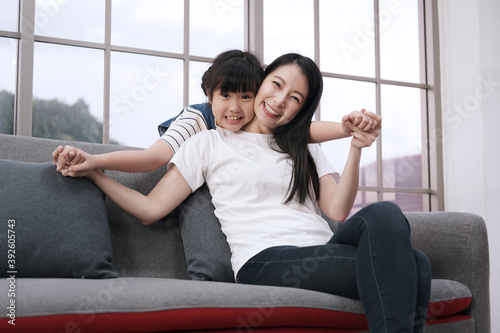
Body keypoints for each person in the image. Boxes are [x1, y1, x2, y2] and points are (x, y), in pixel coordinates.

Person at [67, 53, 431, 333]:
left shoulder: (301, 145)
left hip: (324, 247)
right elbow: (150, 208)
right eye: (275, 85)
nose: (279, 100)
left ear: (302, 109)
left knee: (386, 216)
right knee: (415, 265)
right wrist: (96, 172)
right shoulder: (207, 143)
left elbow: (336, 211)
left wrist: (355, 147)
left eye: (294, 97)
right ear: (262, 83)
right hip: (265, 259)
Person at [52, 49, 378, 175]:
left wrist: (348, 127)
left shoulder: (258, 118)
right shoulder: (198, 118)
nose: (235, 108)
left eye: (246, 96)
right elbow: (153, 158)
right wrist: (94, 161)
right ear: (209, 94)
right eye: (224, 95)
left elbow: (305, 131)